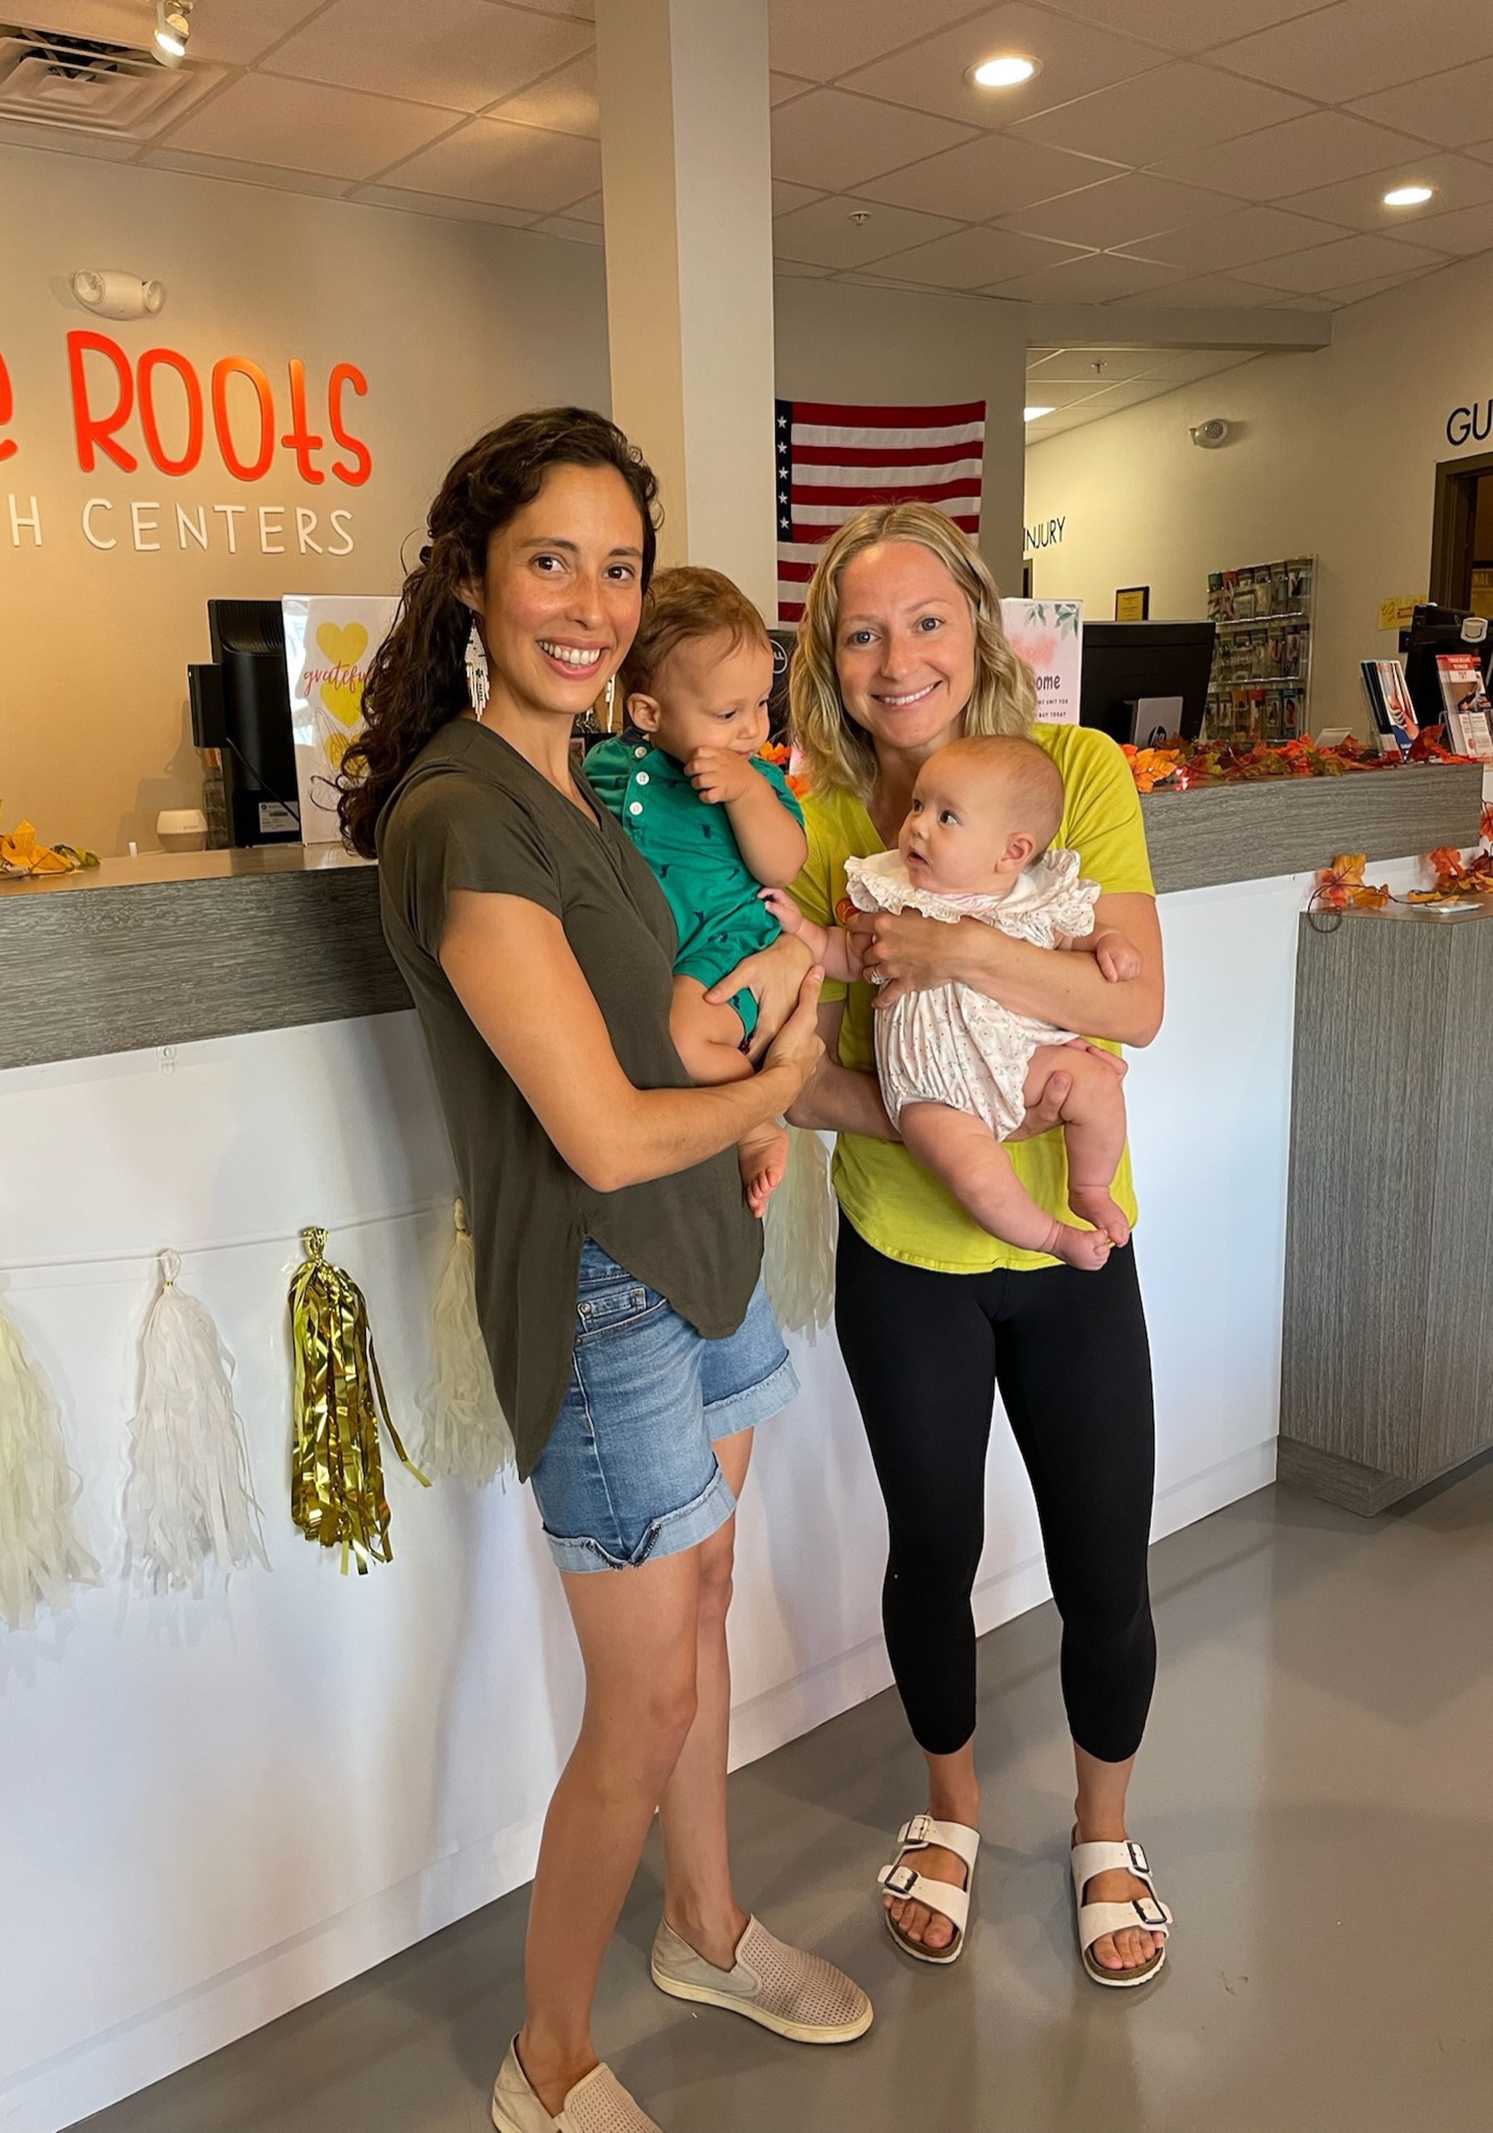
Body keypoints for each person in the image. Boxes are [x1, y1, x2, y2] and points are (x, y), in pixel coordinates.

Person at [339, 408, 869, 2133]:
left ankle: (705, 1928)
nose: (589, 599)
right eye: (549, 557)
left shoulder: (596, 779)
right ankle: (545, 2059)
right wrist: (785, 1083)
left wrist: (746, 1067)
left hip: (706, 1253)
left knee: (707, 1616)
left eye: (619, 562)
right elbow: (597, 1125)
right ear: (474, 579)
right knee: (638, 1696)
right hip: (605, 1292)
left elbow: (670, 1021)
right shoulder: (462, 812)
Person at [719, 500, 1174, 1988]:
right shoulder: (822, 825)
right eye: (861, 632)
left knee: (1104, 1559)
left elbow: (1133, 1008)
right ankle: (953, 1807)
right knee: (937, 1551)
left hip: (1072, 1262)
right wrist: (922, 1118)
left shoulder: (1080, 774)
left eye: (923, 620)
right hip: (905, 1258)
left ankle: (1105, 1832)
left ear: (977, 626)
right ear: (828, 661)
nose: (895, 656)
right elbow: (803, 1067)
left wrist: (964, 949)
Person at [766, 732, 1144, 1270]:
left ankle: (1089, 1187)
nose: (917, 823)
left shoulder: (1029, 897)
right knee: (973, 1170)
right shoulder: (895, 896)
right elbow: (847, 955)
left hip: (1019, 1058)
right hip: (930, 1084)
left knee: (1099, 1086)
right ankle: (1050, 1236)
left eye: (947, 817)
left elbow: (1073, 936)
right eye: (919, 805)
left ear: (1012, 852)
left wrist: (1109, 943)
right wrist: (804, 930)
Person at [587, 566, 808, 1216]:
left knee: (683, 1038)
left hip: (726, 944)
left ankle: (756, 1122)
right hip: (654, 952)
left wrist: (744, 793)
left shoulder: (760, 780)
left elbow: (783, 865)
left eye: (760, 705)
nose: (751, 727)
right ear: (649, 712)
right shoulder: (604, 766)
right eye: (727, 711)